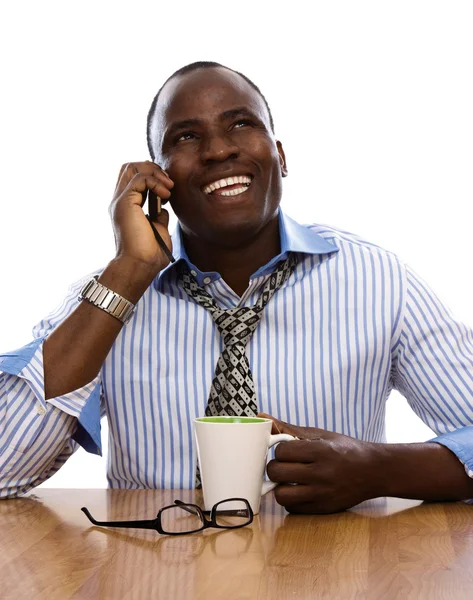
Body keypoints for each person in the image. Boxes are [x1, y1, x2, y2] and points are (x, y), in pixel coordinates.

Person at [1, 61, 473, 513]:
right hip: (152, 580)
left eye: (241, 125)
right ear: (156, 180)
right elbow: (5, 470)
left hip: (328, 577)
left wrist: (379, 470)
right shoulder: (108, 298)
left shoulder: (380, 281)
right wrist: (128, 272)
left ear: (281, 156)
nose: (218, 150)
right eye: (186, 136)